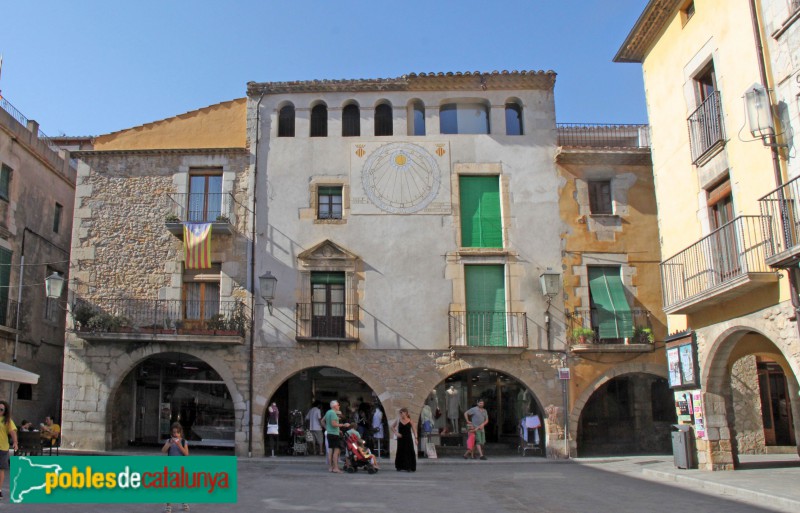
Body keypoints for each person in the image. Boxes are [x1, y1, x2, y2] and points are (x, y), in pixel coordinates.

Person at [161, 422, 189, 513]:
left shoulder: (184, 442)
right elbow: (163, 451)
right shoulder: (169, 441)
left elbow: (186, 454)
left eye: (177, 432)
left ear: (181, 433)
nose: (175, 434)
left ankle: (184, 502)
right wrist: (169, 444)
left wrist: (179, 445)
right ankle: (169, 506)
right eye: (174, 432)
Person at [323, 400, 349, 473]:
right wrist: (343, 425)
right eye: (338, 405)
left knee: (330, 451)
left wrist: (327, 428)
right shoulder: (333, 413)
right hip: (334, 434)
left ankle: (331, 467)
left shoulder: (328, 412)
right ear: (335, 406)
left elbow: (322, 421)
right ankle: (336, 468)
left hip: (329, 434)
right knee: (336, 451)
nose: (339, 406)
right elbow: (334, 424)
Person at [0, 401, 18, 500]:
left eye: (1, 409)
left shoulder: (7, 421)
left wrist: (15, 442)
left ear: (5, 411)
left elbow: (12, 432)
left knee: (1, 470)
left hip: (2, 448)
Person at [392, 407, 416, 472]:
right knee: (400, 451)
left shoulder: (410, 421)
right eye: (400, 413)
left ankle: (409, 467)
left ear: (405, 413)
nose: (401, 414)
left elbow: (414, 430)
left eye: (401, 413)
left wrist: (416, 438)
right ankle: (399, 466)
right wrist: (396, 433)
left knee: (409, 452)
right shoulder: (398, 420)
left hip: (408, 439)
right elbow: (392, 427)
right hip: (401, 439)